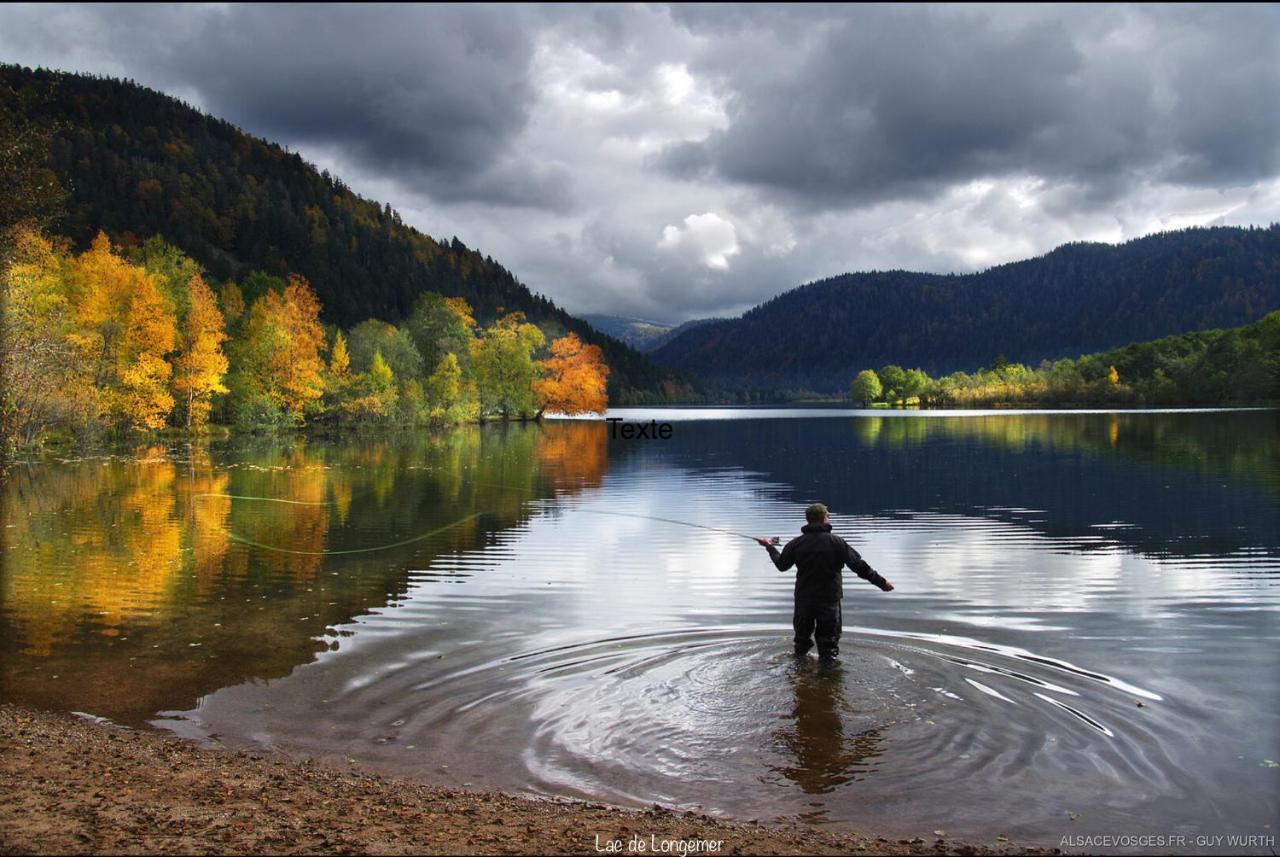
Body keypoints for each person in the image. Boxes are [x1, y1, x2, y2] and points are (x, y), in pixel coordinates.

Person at [756, 503, 893, 662]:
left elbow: (781, 565)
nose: (828, 519)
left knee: (801, 643)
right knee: (828, 645)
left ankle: (800, 675)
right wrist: (882, 583)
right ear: (823, 519)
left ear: (808, 520)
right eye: (827, 516)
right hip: (829, 599)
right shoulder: (837, 542)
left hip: (804, 599)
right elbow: (859, 566)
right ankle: (828, 678)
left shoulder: (796, 543)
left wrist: (770, 547)